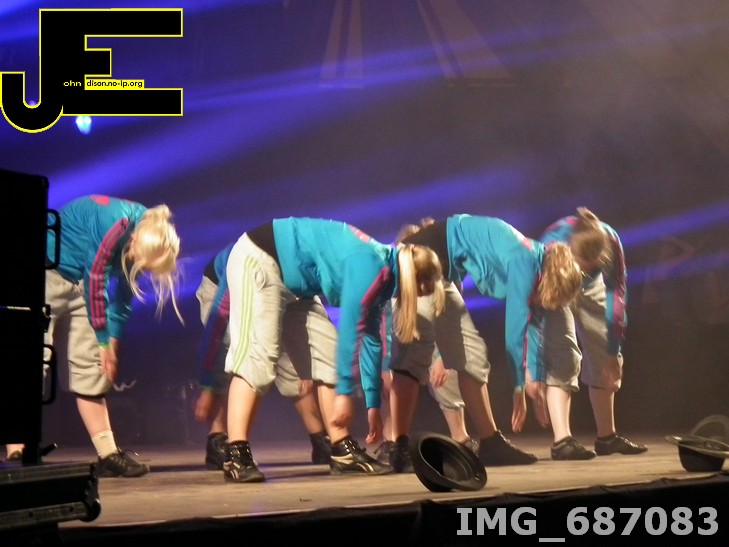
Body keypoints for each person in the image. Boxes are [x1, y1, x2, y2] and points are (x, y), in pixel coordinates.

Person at [223, 217, 445, 482]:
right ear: (413, 282)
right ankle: (236, 455)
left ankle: (342, 451)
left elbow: (371, 340)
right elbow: (350, 330)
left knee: (328, 353)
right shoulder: (370, 266)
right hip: (259, 258)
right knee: (258, 357)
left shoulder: (385, 275)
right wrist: (343, 395)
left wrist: (373, 406)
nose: (419, 299)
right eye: (421, 293)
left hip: (296, 284)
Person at [388, 214, 583, 472]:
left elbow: (535, 318)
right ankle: (398, 447)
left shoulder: (537, 260)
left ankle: (491, 443)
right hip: (416, 261)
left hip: (440, 272)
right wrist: (518, 389)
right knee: (414, 352)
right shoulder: (525, 262)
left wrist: (534, 376)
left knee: (472, 354)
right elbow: (515, 331)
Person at [42, 194, 182, 477]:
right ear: (135, 241)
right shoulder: (116, 223)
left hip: (81, 285)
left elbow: (123, 300)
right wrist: (104, 341)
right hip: (50, 271)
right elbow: (96, 278)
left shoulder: (145, 237)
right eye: (138, 261)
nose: (136, 266)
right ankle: (17, 451)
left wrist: (111, 348)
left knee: (92, 369)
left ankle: (108, 454)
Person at [194, 244, 330, 470]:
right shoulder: (242, 263)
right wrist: (208, 387)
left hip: (273, 281)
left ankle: (320, 439)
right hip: (223, 285)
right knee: (233, 355)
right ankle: (218, 440)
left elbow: (312, 321)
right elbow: (216, 331)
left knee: (289, 361)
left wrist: (307, 364)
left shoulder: (299, 268)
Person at [541, 207, 647, 460]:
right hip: (558, 280)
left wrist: (613, 351)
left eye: (593, 267)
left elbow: (617, 294)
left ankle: (607, 437)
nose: (585, 272)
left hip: (594, 289)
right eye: (583, 268)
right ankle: (562, 441)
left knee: (604, 354)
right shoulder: (552, 242)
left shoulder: (611, 242)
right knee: (565, 356)